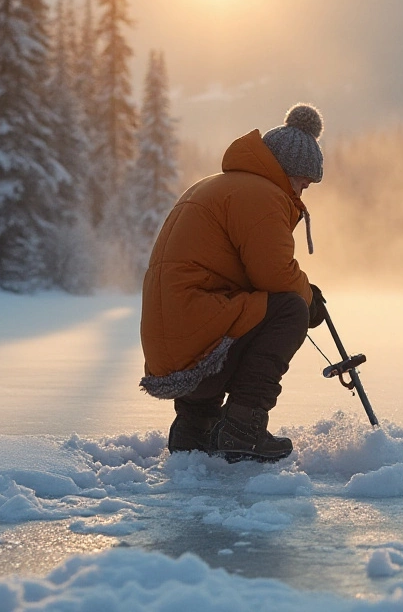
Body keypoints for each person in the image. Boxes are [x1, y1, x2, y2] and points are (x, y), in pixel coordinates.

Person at [139, 103, 326, 462]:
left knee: (254, 302)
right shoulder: (261, 196)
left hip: (173, 347)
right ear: (287, 170)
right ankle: (243, 428)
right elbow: (275, 275)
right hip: (195, 343)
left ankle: (194, 427)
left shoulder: (220, 186)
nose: (304, 189)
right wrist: (309, 298)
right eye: (304, 180)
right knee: (289, 309)